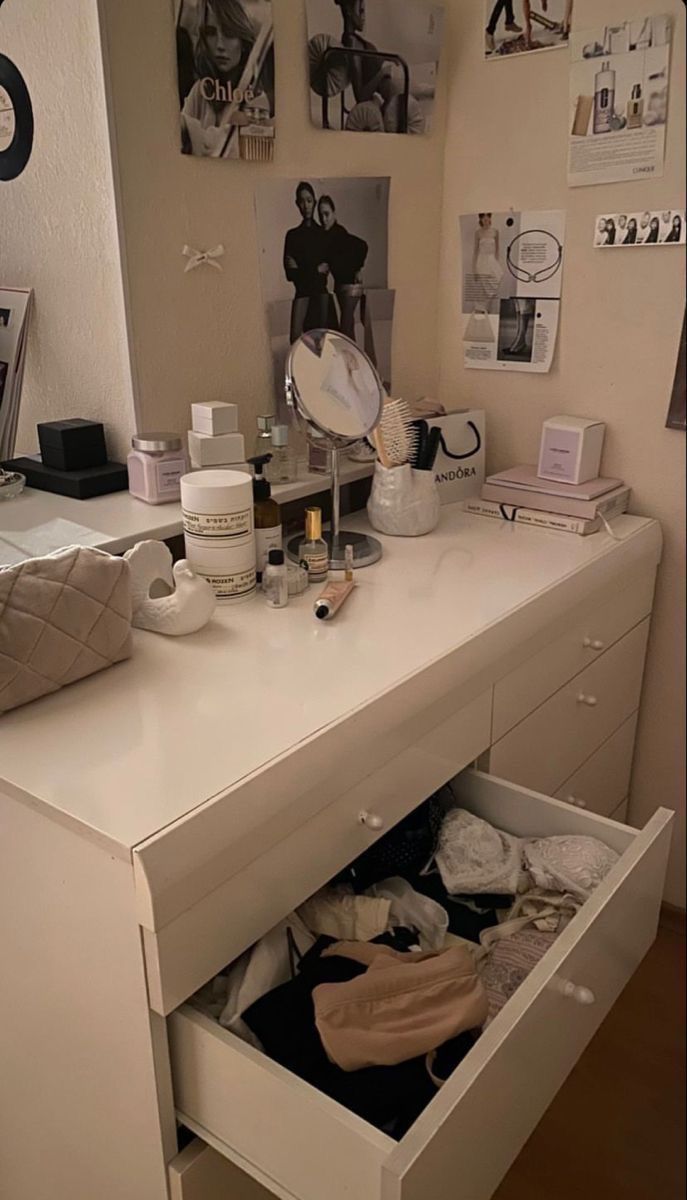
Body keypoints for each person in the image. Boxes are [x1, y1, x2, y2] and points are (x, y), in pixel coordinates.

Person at [180, 0, 273, 158]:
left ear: (242, 41)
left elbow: (236, 152)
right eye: (211, 33)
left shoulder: (255, 96)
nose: (220, 45)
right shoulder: (199, 90)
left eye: (229, 34)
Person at [283, 183, 330, 344]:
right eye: (302, 201)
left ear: (314, 202)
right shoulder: (292, 235)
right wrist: (314, 269)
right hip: (302, 292)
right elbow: (290, 275)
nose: (306, 206)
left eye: (309, 200)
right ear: (297, 204)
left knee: (321, 345)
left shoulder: (323, 234)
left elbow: (324, 271)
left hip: (320, 294)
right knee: (295, 342)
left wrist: (301, 268)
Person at [317, 195, 369, 340]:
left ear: (334, 213)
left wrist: (358, 268)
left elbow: (363, 245)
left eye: (326, 214)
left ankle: (349, 361)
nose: (323, 219)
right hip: (341, 287)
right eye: (321, 215)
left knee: (345, 329)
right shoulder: (327, 236)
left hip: (351, 287)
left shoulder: (339, 233)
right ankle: (352, 361)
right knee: (348, 327)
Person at [473, 214, 503, 303]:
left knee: (494, 284)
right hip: (481, 261)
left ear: (490, 218)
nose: (485, 219)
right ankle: (483, 309)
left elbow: (497, 249)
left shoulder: (495, 231)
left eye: (487, 217)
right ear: (480, 219)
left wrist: (496, 263)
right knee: (483, 288)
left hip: (491, 260)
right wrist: (474, 269)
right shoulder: (478, 233)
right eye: (483, 217)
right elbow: (475, 251)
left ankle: (490, 309)